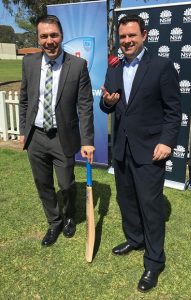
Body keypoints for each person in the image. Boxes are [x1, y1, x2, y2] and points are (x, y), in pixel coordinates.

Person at [100, 15, 181, 293]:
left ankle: (154, 261)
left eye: (132, 35)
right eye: (122, 37)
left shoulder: (161, 66)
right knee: (127, 200)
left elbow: (173, 110)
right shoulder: (114, 66)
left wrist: (167, 142)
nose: (127, 41)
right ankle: (135, 239)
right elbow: (107, 103)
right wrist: (107, 102)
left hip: (150, 151)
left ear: (144, 35)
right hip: (122, 149)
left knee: (151, 207)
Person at [19, 15, 95, 247]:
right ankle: (54, 221)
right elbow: (24, 99)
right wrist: (23, 129)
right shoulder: (29, 63)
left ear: (61, 36)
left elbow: (85, 106)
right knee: (42, 183)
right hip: (36, 136)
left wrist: (87, 140)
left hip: (63, 137)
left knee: (66, 184)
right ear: (38, 38)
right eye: (44, 36)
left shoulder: (78, 65)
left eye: (54, 35)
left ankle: (69, 215)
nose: (49, 40)